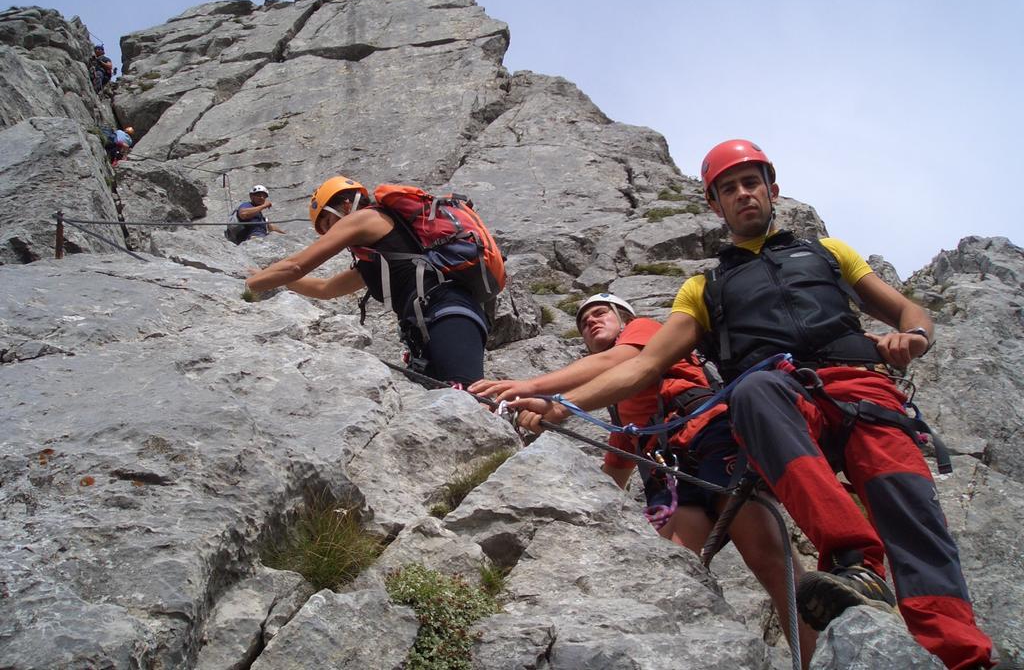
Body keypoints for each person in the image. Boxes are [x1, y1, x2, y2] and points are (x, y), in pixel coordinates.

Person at [511, 140, 998, 669]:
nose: (743, 194)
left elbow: (907, 309)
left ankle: (963, 656)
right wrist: (562, 405)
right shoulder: (704, 287)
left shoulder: (829, 253)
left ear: (772, 189)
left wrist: (915, 335)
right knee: (754, 390)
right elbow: (643, 366)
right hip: (779, 395)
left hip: (863, 390)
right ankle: (854, 560)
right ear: (714, 206)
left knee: (914, 517)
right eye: (728, 189)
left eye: (751, 183)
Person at [471, 292, 816, 665]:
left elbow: (622, 360)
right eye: (584, 322)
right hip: (672, 478)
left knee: (768, 558)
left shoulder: (645, 331)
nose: (590, 322)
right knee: (671, 570)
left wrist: (536, 391)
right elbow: (615, 474)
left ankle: (818, 656)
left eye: (600, 314)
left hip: (714, 441)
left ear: (623, 319)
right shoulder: (621, 409)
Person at [245, 175, 487, 385]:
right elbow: (326, 288)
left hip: (448, 315)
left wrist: (246, 287)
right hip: (437, 322)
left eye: (329, 223)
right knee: (458, 403)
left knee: (471, 398)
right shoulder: (380, 255)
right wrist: (272, 279)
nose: (332, 234)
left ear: (347, 205)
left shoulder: (366, 218)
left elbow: (296, 266)